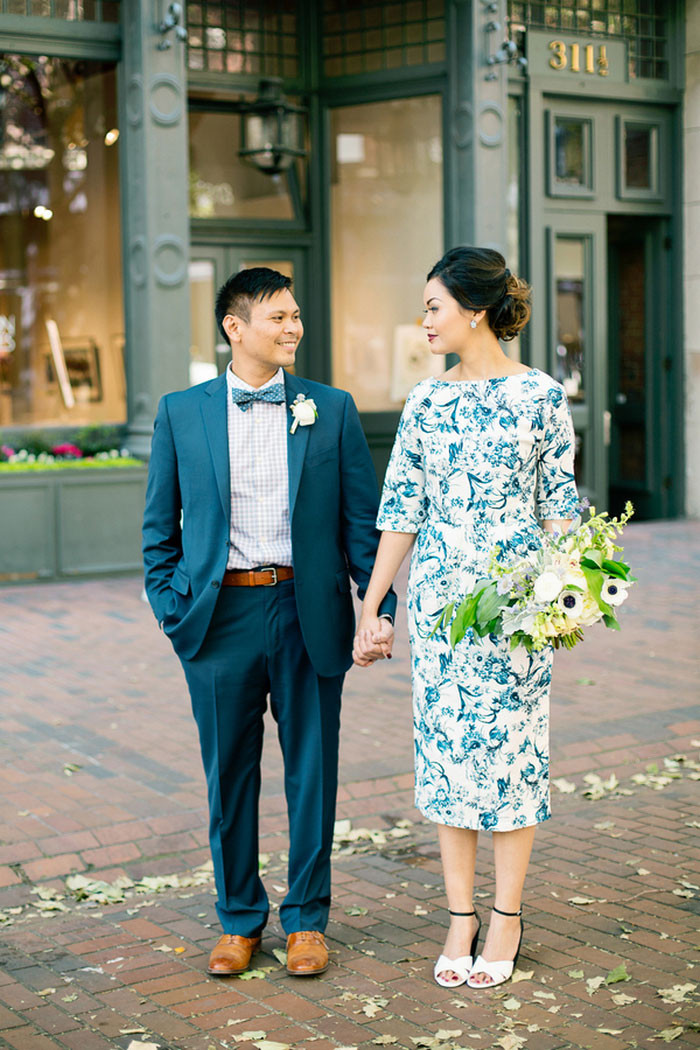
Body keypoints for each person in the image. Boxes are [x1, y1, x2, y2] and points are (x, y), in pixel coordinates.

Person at [143, 267, 396, 978]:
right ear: (235, 326)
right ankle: (238, 919)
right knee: (229, 775)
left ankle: (308, 920)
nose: (293, 327)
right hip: (218, 619)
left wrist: (375, 609)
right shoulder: (180, 412)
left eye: (295, 315)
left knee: (313, 772)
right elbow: (159, 529)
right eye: (278, 317)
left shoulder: (332, 409)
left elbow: (361, 528)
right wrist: (172, 609)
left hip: (305, 610)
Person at [353, 246, 578, 990]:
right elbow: (401, 510)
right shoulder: (426, 402)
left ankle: (506, 917)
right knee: (449, 758)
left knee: (512, 758)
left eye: (433, 307)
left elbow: (563, 513)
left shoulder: (541, 397)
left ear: (473, 310)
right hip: (443, 610)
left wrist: (570, 596)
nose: (424, 320)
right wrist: (375, 602)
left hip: (520, 611)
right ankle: (460, 916)